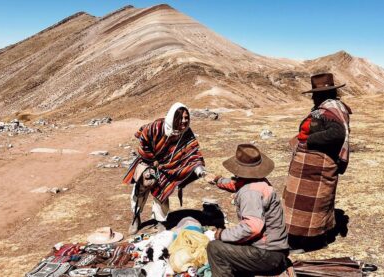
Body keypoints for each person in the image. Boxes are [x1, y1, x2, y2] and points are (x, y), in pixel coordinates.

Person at [282, 73, 352, 252]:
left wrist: (309, 141)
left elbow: (336, 134)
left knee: (310, 205)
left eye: (315, 93)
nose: (313, 96)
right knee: (314, 203)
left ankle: (308, 242)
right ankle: (319, 236)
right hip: (310, 165)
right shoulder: (323, 108)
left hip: (318, 165)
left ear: (324, 93)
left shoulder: (330, 109)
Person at [205, 144, 289, 277]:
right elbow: (236, 184)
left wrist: (219, 234)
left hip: (268, 255)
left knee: (215, 248)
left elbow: (252, 227)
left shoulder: (250, 193)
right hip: (276, 250)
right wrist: (217, 180)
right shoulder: (259, 182)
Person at [123, 102, 206, 235]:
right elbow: (143, 141)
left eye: (186, 118)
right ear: (173, 117)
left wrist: (198, 169)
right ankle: (136, 217)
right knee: (141, 189)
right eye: (181, 118)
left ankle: (160, 221)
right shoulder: (157, 127)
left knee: (162, 192)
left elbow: (192, 152)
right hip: (148, 161)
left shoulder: (185, 132)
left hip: (166, 166)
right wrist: (153, 159)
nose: (184, 121)